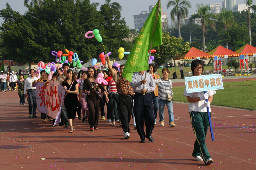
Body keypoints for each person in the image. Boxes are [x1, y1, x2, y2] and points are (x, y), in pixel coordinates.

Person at [184, 59, 215, 165]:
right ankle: (207, 157)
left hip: (206, 110)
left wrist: (208, 102)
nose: (199, 70)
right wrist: (200, 98)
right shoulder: (190, 82)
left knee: (203, 133)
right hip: (195, 110)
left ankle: (196, 152)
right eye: (197, 68)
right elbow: (189, 99)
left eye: (201, 67)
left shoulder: (206, 80)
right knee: (200, 134)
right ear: (193, 69)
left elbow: (211, 95)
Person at [131, 70, 156, 143]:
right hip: (138, 97)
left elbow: (153, 86)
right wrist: (140, 82)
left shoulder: (148, 75)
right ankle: (142, 136)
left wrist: (146, 89)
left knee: (151, 118)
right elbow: (132, 84)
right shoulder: (134, 75)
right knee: (139, 117)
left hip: (147, 96)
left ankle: (148, 133)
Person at [62, 69, 79, 133]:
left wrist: (70, 91)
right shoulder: (64, 82)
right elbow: (62, 89)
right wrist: (64, 88)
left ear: (72, 74)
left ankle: (71, 123)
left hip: (74, 98)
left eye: (71, 73)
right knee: (69, 112)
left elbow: (77, 91)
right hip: (67, 99)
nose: (69, 75)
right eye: (68, 73)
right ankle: (71, 126)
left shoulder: (75, 82)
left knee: (73, 112)